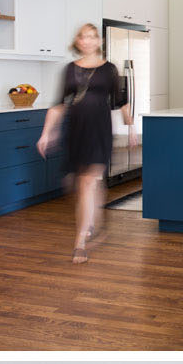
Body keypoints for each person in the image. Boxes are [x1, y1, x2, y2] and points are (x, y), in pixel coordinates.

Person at [38, 23, 131, 263]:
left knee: (88, 182)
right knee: (81, 184)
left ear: (98, 41)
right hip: (76, 131)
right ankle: (91, 218)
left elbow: (121, 100)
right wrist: (47, 133)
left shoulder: (109, 69)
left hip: (99, 131)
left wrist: (130, 127)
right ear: (78, 41)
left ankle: (79, 242)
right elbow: (59, 103)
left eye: (92, 37)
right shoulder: (70, 69)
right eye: (83, 37)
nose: (87, 41)